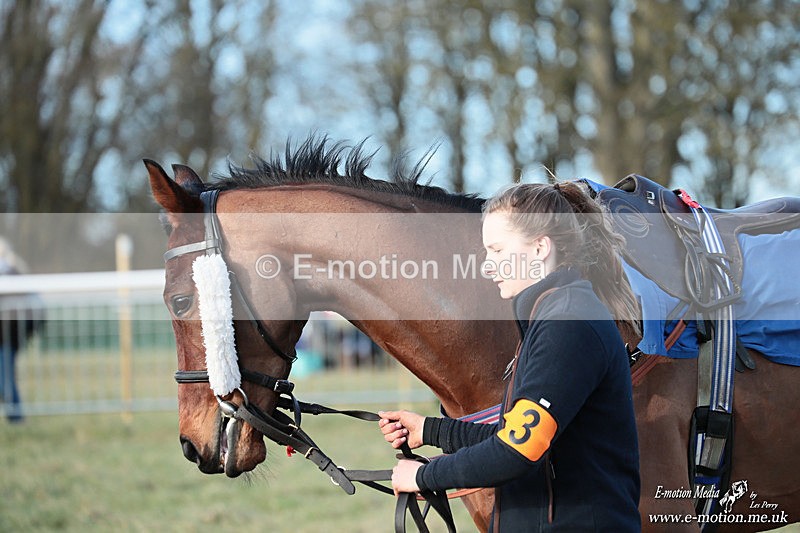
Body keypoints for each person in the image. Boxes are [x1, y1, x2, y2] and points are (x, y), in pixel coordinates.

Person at [379, 182, 642, 532]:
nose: (489, 267)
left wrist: (425, 476)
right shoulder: (552, 315)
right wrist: (430, 430)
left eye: (498, 251)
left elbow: (517, 450)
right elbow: (513, 433)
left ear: (539, 248)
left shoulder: (567, 323)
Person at [0, 238, 42, 423]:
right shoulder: (14, 269)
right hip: (11, 333)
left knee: (4, 378)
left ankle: (16, 419)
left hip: (8, 335)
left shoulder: (10, 271)